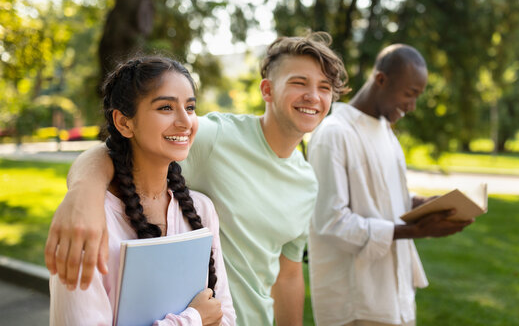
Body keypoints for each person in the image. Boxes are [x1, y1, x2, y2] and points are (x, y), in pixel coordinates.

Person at [45, 32, 350, 325]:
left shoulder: (306, 182)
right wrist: (83, 194)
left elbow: (288, 273)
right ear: (267, 90)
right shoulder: (215, 136)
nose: (313, 96)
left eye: (325, 87)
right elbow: (117, 146)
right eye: (299, 82)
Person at [49, 56, 236, 326]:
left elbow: (225, 316)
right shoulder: (87, 222)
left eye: (190, 107)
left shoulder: (201, 209)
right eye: (165, 108)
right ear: (124, 123)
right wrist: (193, 319)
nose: (185, 122)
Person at [307, 44, 474, 326]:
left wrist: (422, 203)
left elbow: (383, 193)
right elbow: (331, 222)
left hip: (395, 296)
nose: (412, 106)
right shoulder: (334, 134)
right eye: (409, 94)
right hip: (355, 302)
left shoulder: (386, 131)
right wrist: (415, 231)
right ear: (381, 80)